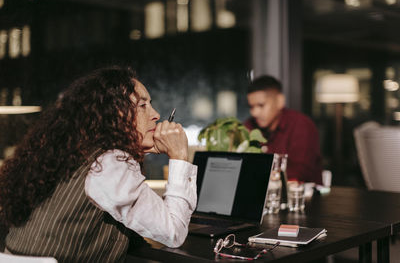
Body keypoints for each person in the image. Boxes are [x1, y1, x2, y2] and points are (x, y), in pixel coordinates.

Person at [0, 66, 197, 262]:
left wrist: (137, 150)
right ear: (115, 113)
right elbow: (173, 233)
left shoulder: (75, 152)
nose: (155, 114)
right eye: (142, 105)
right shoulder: (109, 163)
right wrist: (179, 156)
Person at [244, 75, 322, 184]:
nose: (254, 113)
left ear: (280, 101)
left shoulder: (301, 125)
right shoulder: (249, 126)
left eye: (261, 105)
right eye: (251, 107)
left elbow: (300, 173)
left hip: (304, 198)